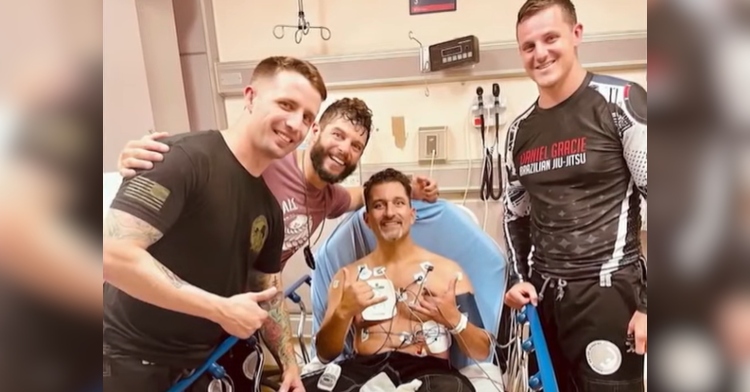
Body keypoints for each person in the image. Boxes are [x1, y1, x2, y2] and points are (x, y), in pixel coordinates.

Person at [102, 55, 327, 392]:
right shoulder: (180, 159)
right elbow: (112, 256)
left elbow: (265, 289)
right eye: (286, 104)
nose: (296, 124)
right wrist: (220, 309)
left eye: (307, 117)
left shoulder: (268, 207)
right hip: (125, 362)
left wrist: (289, 362)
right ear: (250, 97)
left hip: (196, 369)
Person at [501, 1, 647, 391]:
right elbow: (515, 214)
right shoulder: (519, 131)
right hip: (545, 301)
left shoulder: (622, 102)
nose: (540, 53)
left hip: (610, 294)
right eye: (528, 46)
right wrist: (518, 279)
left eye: (551, 38)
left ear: (576, 34)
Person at [117, 98, 441, 270]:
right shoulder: (266, 162)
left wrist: (408, 187)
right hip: (186, 298)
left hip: (240, 317)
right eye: (338, 135)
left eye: (356, 146)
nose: (345, 149)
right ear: (314, 131)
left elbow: (363, 195)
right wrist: (145, 161)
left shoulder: (329, 198)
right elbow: (208, 156)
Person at [302, 168, 492, 392]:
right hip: (363, 374)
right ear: (367, 218)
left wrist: (454, 319)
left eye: (399, 203)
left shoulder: (448, 273)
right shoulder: (347, 277)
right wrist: (343, 312)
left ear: (412, 214)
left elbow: (482, 351)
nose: (390, 212)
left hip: (430, 375)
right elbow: (324, 353)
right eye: (379, 205)